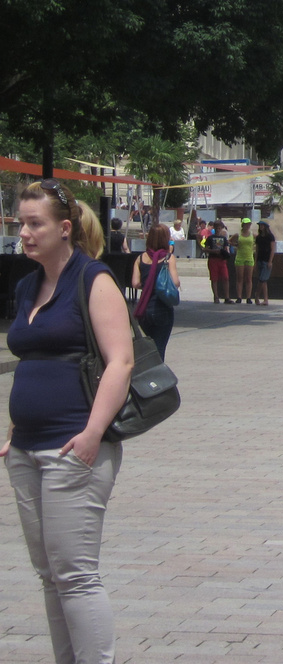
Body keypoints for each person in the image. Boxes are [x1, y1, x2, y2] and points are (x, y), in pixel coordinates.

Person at [4, 179, 135, 664]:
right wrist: (15, 428)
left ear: (64, 228)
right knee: (49, 574)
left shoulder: (93, 279)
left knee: (76, 573)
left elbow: (120, 362)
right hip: (26, 449)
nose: (25, 233)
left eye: (35, 224)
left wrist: (91, 435)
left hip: (74, 446)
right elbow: (33, 360)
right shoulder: (26, 284)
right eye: (22, 223)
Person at [133, 224, 181, 358]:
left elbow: (135, 283)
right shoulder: (168, 258)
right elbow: (175, 282)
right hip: (162, 309)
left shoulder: (140, 258)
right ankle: (157, 377)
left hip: (144, 310)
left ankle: (150, 374)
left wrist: (148, 283)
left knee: (151, 348)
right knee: (159, 350)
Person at [205, 218, 232, 303]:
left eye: (219, 228)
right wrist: (213, 251)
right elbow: (205, 249)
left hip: (222, 259)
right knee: (214, 278)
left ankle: (227, 297)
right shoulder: (210, 238)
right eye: (216, 228)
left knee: (225, 278)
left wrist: (226, 253)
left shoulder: (223, 238)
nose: (218, 229)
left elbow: (226, 248)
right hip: (213, 259)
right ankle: (216, 296)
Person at [233, 216, 257, 304]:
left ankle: (248, 297)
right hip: (240, 257)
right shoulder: (238, 234)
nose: (247, 226)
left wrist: (255, 247)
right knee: (240, 278)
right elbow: (229, 241)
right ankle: (239, 296)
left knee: (249, 278)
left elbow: (259, 240)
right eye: (246, 224)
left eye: (249, 224)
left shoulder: (252, 234)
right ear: (243, 225)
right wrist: (236, 245)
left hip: (249, 257)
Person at [253, 219, 276, 305]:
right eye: (260, 225)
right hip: (260, 259)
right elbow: (257, 250)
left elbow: (272, 249)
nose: (261, 227)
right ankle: (265, 299)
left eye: (262, 225)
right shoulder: (258, 237)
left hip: (267, 260)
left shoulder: (270, 236)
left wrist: (270, 261)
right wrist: (255, 261)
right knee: (263, 280)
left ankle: (257, 295)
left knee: (262, 279)